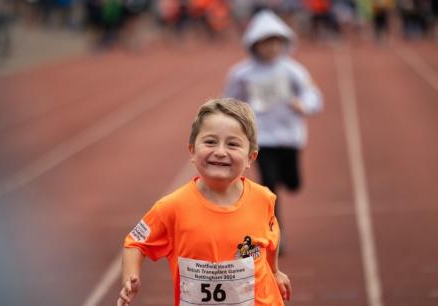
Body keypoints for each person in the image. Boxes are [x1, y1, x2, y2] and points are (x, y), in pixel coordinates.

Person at [117, 98, 291, 306]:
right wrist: (130, 277)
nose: (220, 151)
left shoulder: (263, 198)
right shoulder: (172, 207)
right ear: (191, 150)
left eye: (233, 144)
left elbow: (271, 236)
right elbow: (135, 242)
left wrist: (274, 270)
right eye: (210, 142)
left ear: (250, 157)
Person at [223, 10, 323, 255]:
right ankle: (279, 235)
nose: (271, 48)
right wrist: (232, 122)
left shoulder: (292, 70)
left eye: (276, 42)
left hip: (289, 137)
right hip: (261, 139)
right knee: (269, 189)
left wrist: (304, 104)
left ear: (284, 43)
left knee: (293, 183)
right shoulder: (242, 73)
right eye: (266, 42)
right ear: (254, 45)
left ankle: (286, 177)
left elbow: (313, 95)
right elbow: (229, 100)